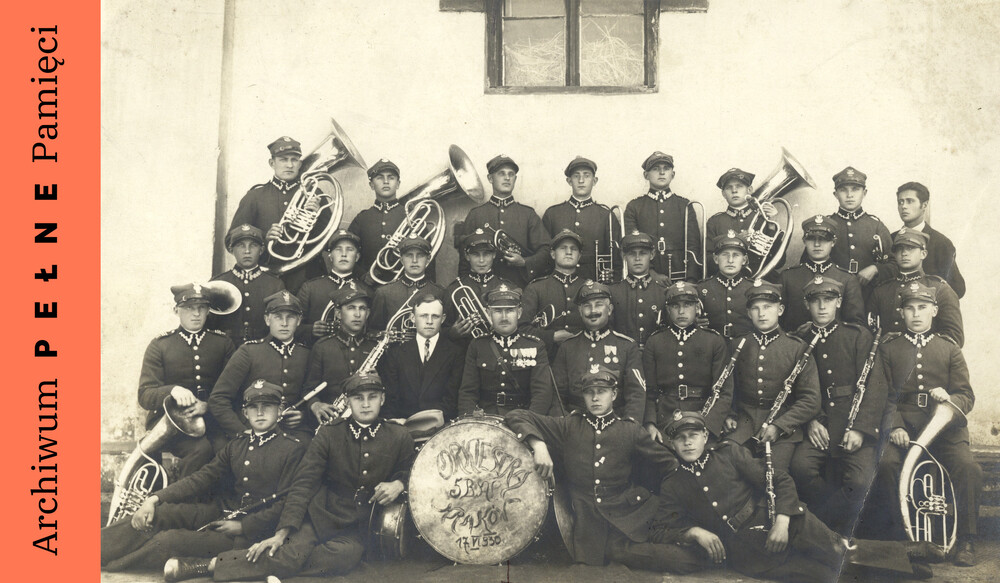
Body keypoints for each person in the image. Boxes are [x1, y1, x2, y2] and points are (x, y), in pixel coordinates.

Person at [162, 373, 416, 581]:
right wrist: (282, 532)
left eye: (372, 397)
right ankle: (203, 566)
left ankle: (260, 568)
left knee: (345, 557)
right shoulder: (329, 434)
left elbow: (411, 471)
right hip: (319, 513)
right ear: (348, 401)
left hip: (357, 522)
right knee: (290, 549)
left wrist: (399, 483)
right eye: (358, 398)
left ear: (382, 399)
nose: (365, 404)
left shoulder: (399, 435)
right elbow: (303, 484)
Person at [653, 411, 943, 582]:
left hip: (783, 520)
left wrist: (781, 520)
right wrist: (693, 533)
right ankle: (904, 566)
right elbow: (661, 528)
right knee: (826, 575)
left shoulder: (729, 454)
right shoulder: (672, 484)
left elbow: (779, 480)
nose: (688, 442)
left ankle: (907, 554)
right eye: (680, 438)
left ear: (705, 436)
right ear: (672, 444)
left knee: (838, 549)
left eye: (693, 435)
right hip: (750, 553)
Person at [503, 369, 706, 574]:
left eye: (602, 391)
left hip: (633, 513)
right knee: (610, 557)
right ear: (583, 396)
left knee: (686, 560)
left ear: (614, 395)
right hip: (588, 522)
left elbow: (670, 466)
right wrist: (539, 446)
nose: (595, 398)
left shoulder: (630, 431)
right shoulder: (569, 426)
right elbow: (516, 415)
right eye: (589, 392)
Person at [102, 381, 306, 573]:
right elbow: (202, 478)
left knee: (169, 540)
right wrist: (155, 498)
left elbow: (289, 502)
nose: (260, 412)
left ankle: (110, 565)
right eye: (254, 407)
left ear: (280, 410)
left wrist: (245, 526)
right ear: (245, 412)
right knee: (160, 513)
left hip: (250, 534)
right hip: (220, 512)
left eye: (267, 406)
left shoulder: (293, 449)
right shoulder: (238, 444)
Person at [868, 282, 982, 567]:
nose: (916, 314)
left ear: (934, 310)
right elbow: (881, 393)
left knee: (969, 467)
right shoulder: (888, 348)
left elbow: (966, 396)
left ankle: (966, 540)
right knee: (885, 465)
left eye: (922, 308)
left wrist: (950, 398)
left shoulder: (949, 349)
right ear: (901, 312)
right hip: (903, 426)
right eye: (910, 308)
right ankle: (902, 536)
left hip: (944, 429)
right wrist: (894, 425)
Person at [788, 277, 883, 536]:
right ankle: (832, 529)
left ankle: (821, 526)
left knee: (860, 481)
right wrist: (810, 421)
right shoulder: (799, 339)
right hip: (817, 422)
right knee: (800, 468)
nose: (821, 307)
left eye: (828, 300)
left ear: (839, 302)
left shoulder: (858, 336)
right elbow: (792, 388)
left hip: (853, 422)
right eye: (815, 301)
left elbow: (875, 388)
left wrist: (861, 430)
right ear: (806, 304)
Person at [138, 283, 237, 472]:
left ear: (208, 311)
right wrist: (172, 391)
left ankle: (213, 501)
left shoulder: (222, 343)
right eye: (189, 308)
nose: (196, 314)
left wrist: (208, 405)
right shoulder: (160, 345)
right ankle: (180, 500)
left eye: (201, 308)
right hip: (171, 422)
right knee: (200, 450)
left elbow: (233, 389)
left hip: (212, 420)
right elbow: (145, 395)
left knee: (227, 450)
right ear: (176, 310)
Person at [726, 280, 821, 472]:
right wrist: (729, 414)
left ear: (780, 310)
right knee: (727, 465)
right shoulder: (738, 344)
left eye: (768, 307)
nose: (761, 314)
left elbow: (811, 399)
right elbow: (727, 389)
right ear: (748, 313)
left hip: (783, 429)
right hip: (743, 424)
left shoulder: (797, 348)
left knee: (773, 473)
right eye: (756, 308)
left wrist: (779, 426)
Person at [209, 291, 311, 441]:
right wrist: (242, 432)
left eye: (290, 317)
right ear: (267, 319)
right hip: (252, 432)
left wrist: (303, 415)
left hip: (293, 434)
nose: (284, 323)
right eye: (278, 317)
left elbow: (312, 396)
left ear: (299, 320)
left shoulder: (306, 354)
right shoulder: (249, 352)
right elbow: (218, 399)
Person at [229, 136, 321, 292]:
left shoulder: (314, 194)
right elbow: (231, 239)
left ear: (300, 163)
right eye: (283, 160)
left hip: (308, 278)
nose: (290, 165)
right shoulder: (255, 196)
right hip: (268, 277)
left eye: (294, 160)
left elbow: (329, 242)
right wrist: (263, 238)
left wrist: (317, 215)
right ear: (272, 163)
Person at [643, 282, 731, 442]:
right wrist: (650, 423)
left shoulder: (713, 341)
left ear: (697, 308)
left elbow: (724, 391)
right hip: (665, 418)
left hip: (702, 416)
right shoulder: (655, 342)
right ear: (668, 310)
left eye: (688, 305)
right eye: (675, 306)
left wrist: (709, 425)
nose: (681, 311)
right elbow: (648, 390)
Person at [551, 280, 645, 422]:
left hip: (616, 423)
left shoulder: (627, 346)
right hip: (575, 423)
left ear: (610, 309)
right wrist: (565, 423)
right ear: (580, 311)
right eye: (587, 306)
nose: (593, 311)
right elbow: (557, 394)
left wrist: (628, 426)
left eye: (599, 305)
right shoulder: (567, 347)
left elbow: (636, 394)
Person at [457, 284, 555, 416]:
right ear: (488, 313)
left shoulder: (536, 346)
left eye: (509, 310)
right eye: (497, 311)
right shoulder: (477, 346)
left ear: (519, 313)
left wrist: (529, 422)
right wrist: (470, 421)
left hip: (523, 417)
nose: (504, 317)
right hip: (485, 418)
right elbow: (467, 393)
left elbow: (542, 394)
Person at [459, 154, 552, 287]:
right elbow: (464, 258)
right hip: (481, 290)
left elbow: (547, 250)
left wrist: (525, 262)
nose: (507, 178)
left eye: (511, 174)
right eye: (501, 174)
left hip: (519, 286)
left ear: (515, 178)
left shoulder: (528, 214)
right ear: (490, 178)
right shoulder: (476, 215)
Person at [866, 228, 964, 346]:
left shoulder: (940, 289)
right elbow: (869, 334)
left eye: (910, 248)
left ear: (923, 254)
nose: (904, 253)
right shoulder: (881, 291)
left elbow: (954, 336)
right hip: (887, 360)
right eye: (899, 249)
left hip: (927, 361)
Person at [301, 285, 378, 427]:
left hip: (370, 422)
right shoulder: (322, 347)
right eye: (351, 308)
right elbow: (309, 388)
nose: (357, 314)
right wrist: (315, 405)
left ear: (367, 314)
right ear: (338, 313)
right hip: (333, 423)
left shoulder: (375, 347)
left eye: (362, 309)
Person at [382, 293, 463, 420]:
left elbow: (452, 400)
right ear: (413, 318)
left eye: (435, 316)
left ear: (443, 319)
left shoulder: (456, 353)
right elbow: (391, 399)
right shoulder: (396, 353)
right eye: (424, 316)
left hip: (441, 426)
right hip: (404, 427)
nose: (429, 321)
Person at [623, 151, 702, 282]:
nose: (661, 172)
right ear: (646, 175)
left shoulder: (684, 205)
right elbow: (632, 246)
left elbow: (693, 246)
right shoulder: (634, 207)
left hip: (680, 276)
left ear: (673, 174)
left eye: (666, 168)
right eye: (655, 169)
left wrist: (691, 279)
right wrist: (651, 273)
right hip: (645, 277)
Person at [776, 215, 864, 331]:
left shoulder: (847, 279)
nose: (817, 244)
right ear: (804, 241)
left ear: (833, 242)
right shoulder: (787, 277)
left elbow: (855, 325)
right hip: (796, 345)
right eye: (811, 239)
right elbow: (776, 320)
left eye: (823, 239)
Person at [809, 166, 893, 285]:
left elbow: (894, 264)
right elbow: (807, 262)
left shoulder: (876, 226)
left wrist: (875, 268)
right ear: (835, 194)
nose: (849, 195)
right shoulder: (825, 224)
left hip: (868, 295)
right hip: (831, 294)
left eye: (855, 189)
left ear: (864, 193)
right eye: (843, 190)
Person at [541, 156, 621, 281]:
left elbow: (617, 259)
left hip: (595, 284)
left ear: (594, 181)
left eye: (587, 175)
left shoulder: (606, 215)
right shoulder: (553, 214)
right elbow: (545, 254)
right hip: (558, 283)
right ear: (569, 181)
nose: (581, 180)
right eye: (576, 176)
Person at [208, 224, 285, 346]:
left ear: (261, 250)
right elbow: (210, 325)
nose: (247, 251)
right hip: (227, 350)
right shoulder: (218, 283)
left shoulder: (275, 284)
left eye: (253, 245)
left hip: (263, 349)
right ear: (231, 249)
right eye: (240, 245)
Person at [295, 229, 372, 346]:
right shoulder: (310, 288)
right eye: (338, 249)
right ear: (330, 256)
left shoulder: (367, 291)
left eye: (350, 249)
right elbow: (293, 324)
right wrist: (310, 330)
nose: (344, 254)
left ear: (357, 257)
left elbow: (371, 330)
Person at [442, 228, 514, 343]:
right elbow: (441, 330)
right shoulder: (454, 289)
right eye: (475, 254)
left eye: (486, 254)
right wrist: (452, 333)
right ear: (467, 256)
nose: (481, 260)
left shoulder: (508, 287)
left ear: (494, 255)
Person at [895, 181, 965, 297]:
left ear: (924, 205)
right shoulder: (891, 238)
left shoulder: (941, 242)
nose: (904, 206)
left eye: (910, 201)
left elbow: (957, 289)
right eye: (900, 202)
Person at [704, 168, 779, 276]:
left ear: (749, 190)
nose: (734, 190)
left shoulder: (764, 219)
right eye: (729, 188)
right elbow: (707, 261)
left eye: (739, 186)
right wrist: (737, 241)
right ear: (723, 194)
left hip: (760, 282)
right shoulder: (715, 221)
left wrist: (772, 224)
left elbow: (780, 261)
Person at [520, 229, 587, 351]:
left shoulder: (587, 287)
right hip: (546, 357)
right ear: (552, 254)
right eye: (563, 248)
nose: (568, 252)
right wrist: (551, 337)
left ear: (579, 256)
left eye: (574, 249)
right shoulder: (535, 288)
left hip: (583, 355)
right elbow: (521, 328)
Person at [347, 158, 409, 282]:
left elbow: (428, 252)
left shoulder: (410, 216)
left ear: (398, 184)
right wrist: (363, 276)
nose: (386, 181)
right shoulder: (362, 218)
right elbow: (348, 251)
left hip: (404, 286)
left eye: (391, 177)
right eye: (380, 178)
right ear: (371, 185)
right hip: (368, 287)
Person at [608, 230, 670, 348]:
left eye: (642, 253)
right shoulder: (613, 292)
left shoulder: (663, 291)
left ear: (652, 255)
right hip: (624, 355)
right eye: (632, 254)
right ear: (623, 256)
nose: (637, 258)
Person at [369, 236, 445, 330]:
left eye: (420, 255)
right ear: (401, 260)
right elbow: (374, 332)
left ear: (428, 259)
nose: (414, 260)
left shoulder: (440, 293)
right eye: (409, 255)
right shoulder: (384, 293)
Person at [698, 231, 755, 342]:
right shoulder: (702, 289)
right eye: (725, 255)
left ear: (744, 260)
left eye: (736, 255)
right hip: (712, 349)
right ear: (715, 259)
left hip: (746, 350)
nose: (730, 260)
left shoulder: (753, 289)